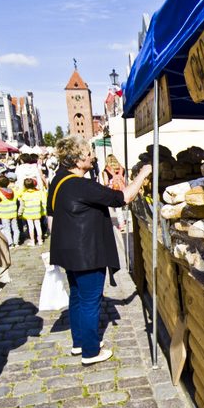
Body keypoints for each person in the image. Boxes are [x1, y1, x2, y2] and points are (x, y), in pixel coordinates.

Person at [47, 135, 151, 365]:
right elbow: (123, 197)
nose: (93, 157)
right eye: (88, 153)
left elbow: (51, 217)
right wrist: (143, 175)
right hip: (88, 253)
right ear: (78, 159)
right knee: (89, 301)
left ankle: (80, 343)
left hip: (69, 252)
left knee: (77, 297)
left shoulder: (58, 180)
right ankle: (91, 352)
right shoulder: (82, 185)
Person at [100, 154, 127, 231]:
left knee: (118, 208)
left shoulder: (106, 170)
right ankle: (125, 219)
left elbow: (106, 183)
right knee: (124, 205)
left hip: (113, 190)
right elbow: (125, 180)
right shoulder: (122, 169)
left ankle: (121, 224)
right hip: (123, 189)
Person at [18, 178, 45, 246]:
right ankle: (40, 240)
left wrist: (19, 213)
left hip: (28, 214)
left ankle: (32, 241)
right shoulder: (38, 193)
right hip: (37, 212)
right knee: (38, 226)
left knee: (30, 227)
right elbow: (43, 202)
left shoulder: (24, 194)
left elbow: (22, 206)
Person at [0, 175, 19, 247]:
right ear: (8, 183)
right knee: (15, 228)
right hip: (13, 212)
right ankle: (16, 242)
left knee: (7, 229)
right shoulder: (13, 191)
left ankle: (10, 243)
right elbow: (17, 201)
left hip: (4, 214)